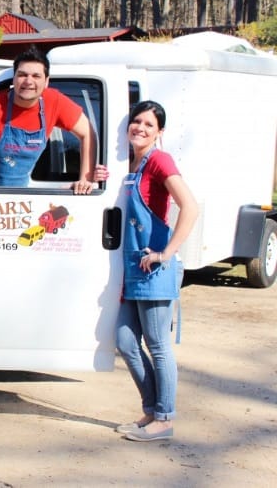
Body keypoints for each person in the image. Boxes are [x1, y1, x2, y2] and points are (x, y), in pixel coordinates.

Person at [115, 100, 198, 442]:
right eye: (137, 122)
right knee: (124, 340)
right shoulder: (128, 162)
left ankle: (164, 418)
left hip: (154, 269)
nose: (140, 128)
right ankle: (150, 409)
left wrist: (167, 252)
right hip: (134, 266)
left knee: (158, 345)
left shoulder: (159, 160)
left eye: (149, 125)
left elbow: (190, 207)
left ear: (159, 132)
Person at [0, 46, 107, 193]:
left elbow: (87, 132)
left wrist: (85, 180)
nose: (28, 81)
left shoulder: (55, 102)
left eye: (36, 76)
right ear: (13, 79)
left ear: (46, 81)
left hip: (22, 199)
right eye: (22, 75)